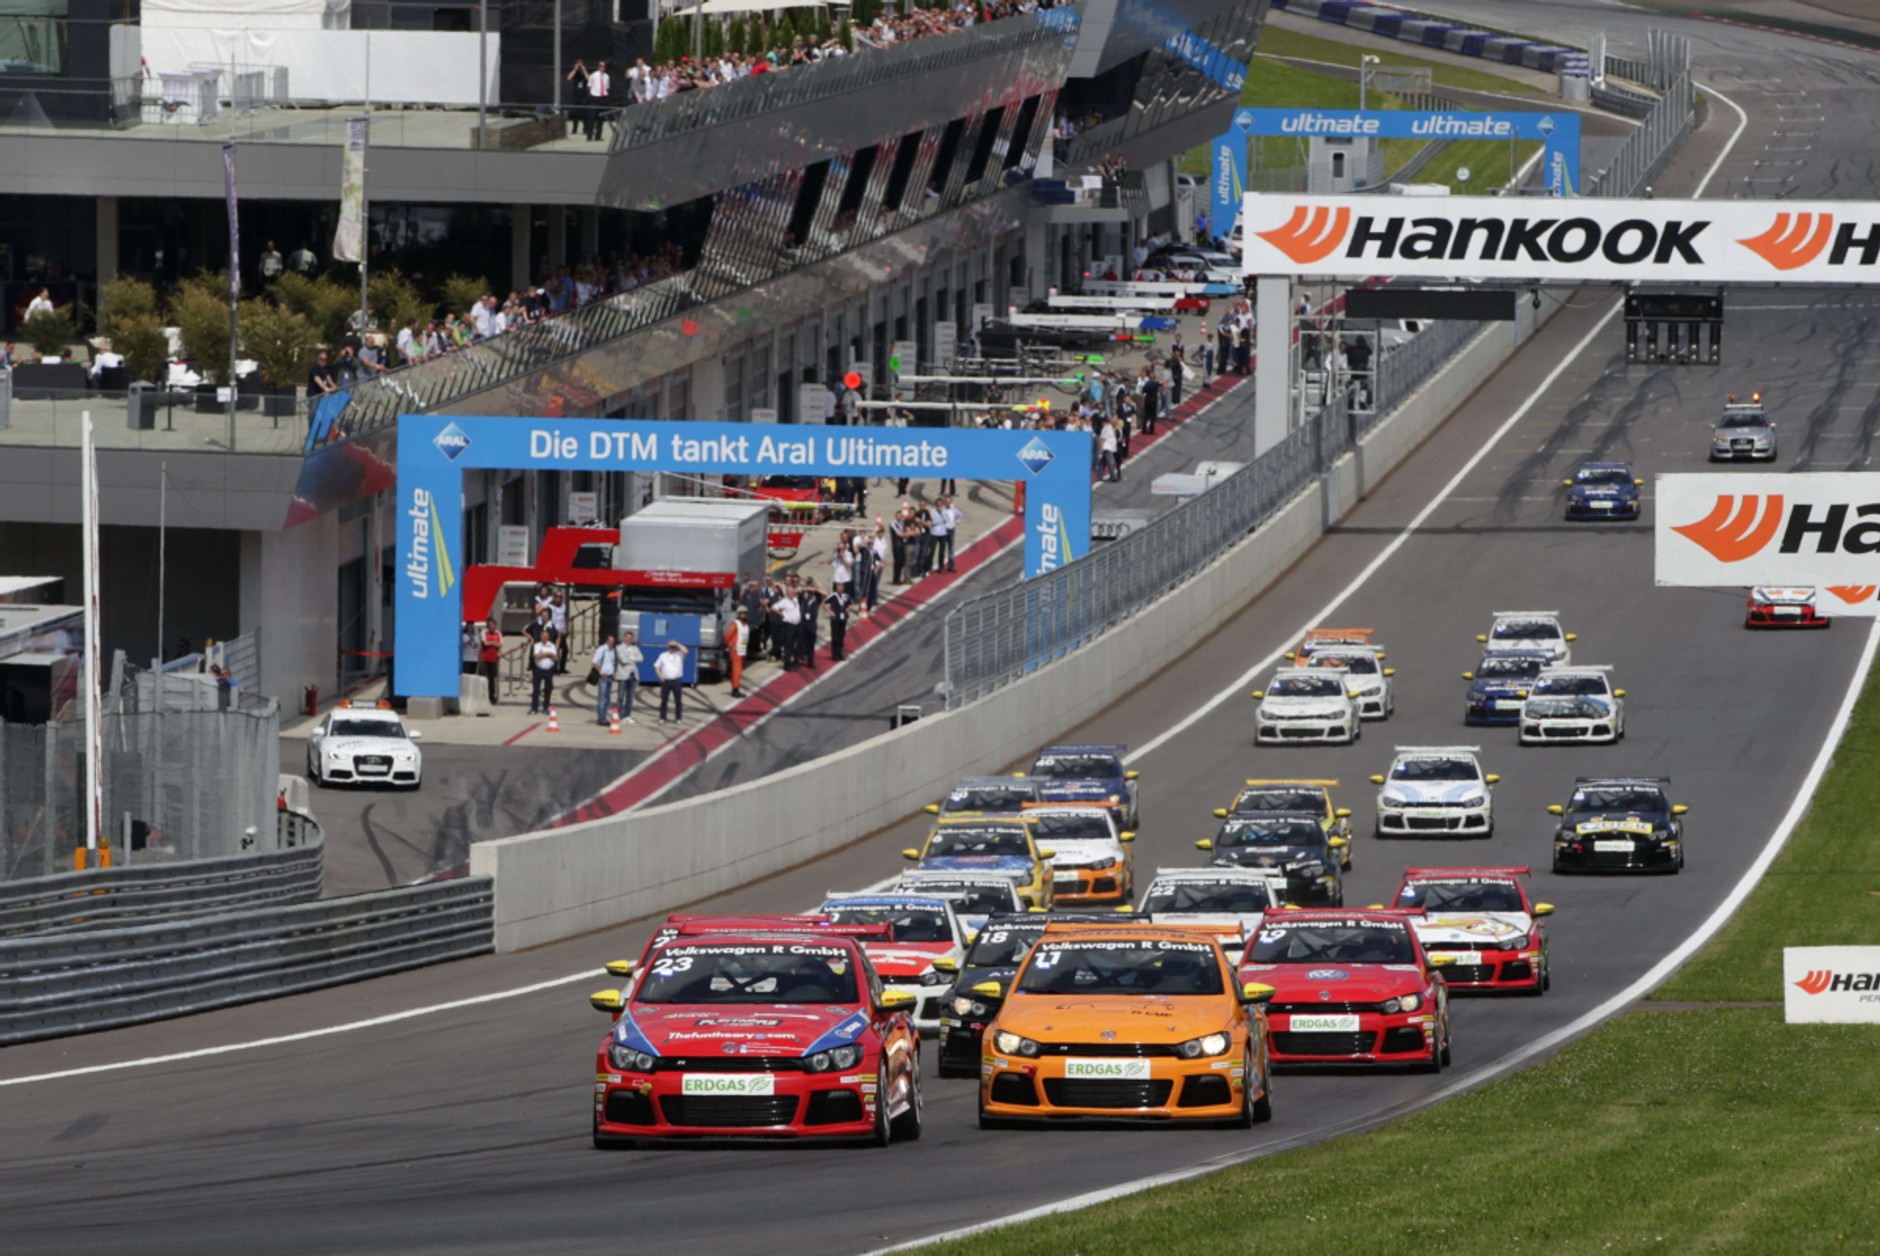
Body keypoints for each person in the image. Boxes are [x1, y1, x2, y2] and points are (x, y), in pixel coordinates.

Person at [654, 640, 688, 722]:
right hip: (666, 681)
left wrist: (677, 643)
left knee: (678, 701)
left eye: (673, 647)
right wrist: (660, 675)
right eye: (671, 647)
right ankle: (662, 717)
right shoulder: (663, 655)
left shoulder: (679, 655)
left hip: (676, 681)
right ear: (668, 647)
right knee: (664, 700)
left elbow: (686, 651)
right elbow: (657, 666)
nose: (672, 648)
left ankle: (678, 718)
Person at [614, 631, 643, 722]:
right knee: (621, 696)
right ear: (624, 637)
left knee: (630, 697)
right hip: (623, 675)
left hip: (633, 676)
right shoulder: (619, 647)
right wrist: (634, 659)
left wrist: (632, 658)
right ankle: (619, 714)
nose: (629, 639)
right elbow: (622, 660)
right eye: (627, 637)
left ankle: (627, 715)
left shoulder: (635, 648)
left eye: (631, 638)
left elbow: (641, 658)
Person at [529, 627, 558, 714]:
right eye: (543, 636)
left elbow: (555, 658)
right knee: (536, 690)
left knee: (548, 690)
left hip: (548, 670)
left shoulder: (552, 646)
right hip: (538, 670)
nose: (544, 638)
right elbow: (537, 656)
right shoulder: (537, 645)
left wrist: (544, 654)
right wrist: (549, 654)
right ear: (541, 637)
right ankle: (534, 708)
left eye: (546, 636)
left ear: (548, 637)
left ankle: (546, 707)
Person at [592, 632, 618, 725]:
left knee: (607, 699)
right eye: (610, 641)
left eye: (613, 641)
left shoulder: (613, 651)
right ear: (606, 641)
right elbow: (595, 663)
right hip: (603, 677)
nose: (612, 643)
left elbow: (613, 663)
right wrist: (600, 672)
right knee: (602, 699)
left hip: (610, 677)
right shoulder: (601, 649)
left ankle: (604, 716)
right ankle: (601, 719)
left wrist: (614, 673)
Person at [479, 618, 503, 706]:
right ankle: (483, 697)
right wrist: (493, 642)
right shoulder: (484, 632)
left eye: (493, 625)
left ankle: (492, 697)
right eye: (490, 625)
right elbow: (485, 643)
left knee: (493, 680)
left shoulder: (498, 633)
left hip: (494, 659)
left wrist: (492, 643)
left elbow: (500, 644)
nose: (491, 627)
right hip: (485, 659)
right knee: (484, 679)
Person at [725, 606, 748, 697]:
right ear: (738, 614)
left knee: (739, 670)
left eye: (745, 613)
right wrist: (730, 645)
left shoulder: (746, 625)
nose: (743, 615)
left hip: (742, 650)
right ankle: (735, 689)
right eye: (741, 613)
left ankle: (736, 687)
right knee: (736, 670)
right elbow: (727, 637)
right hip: (736, 650)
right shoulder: (735, 624)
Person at [826, 584, 851, 662]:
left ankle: (840, 653)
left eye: (841, 586)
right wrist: (830, 612)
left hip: (843, 619)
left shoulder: (846, 596)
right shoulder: (833, 596)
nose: (840, 588)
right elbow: (824, 603)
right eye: (838, 586)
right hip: (835, 619)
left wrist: (848, 609)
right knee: (835, 636)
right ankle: (834, 654)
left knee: (841, 636)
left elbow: (851, 603)